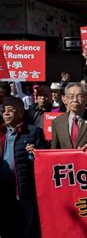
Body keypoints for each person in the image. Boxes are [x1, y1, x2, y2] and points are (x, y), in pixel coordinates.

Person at [0, 97, 46, 238]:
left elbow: (42, 160)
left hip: (23, 187)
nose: (6, 114)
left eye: (10, 110)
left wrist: (33, 153)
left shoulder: (33, 132)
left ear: (20, 112)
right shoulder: (1, 132)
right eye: (4, 111)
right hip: (2, 189)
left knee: (25, 226)